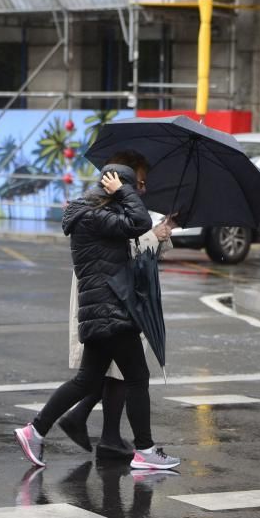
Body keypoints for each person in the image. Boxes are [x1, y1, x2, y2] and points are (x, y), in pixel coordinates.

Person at [14, 156, 180, 471]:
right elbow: (139, 224)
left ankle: (35, 430)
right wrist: (124, 192)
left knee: (88, 380)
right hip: (110, 309)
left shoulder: (93, 216)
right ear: (113, 188)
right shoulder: (95, 217)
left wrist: (162, 228)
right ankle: (144, 449)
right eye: (133, 187)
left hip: (103, 310)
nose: (137, 193)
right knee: (137, 378)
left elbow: (132, 241)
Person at [58, 151, 177, 461]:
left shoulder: (114, 203)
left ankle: (85, 426)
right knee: (122, 372)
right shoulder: (103, 207)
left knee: (108, 371)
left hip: (116, 297)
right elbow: (126, 246)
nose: (143, 189)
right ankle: (128, 443)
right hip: (111, 296)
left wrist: (159, 234)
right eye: (139, 182)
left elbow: (133, 240)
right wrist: (154, 234)